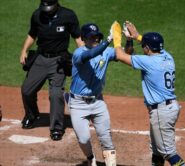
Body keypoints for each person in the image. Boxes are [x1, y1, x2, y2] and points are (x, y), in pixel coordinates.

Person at [112, 21, 185, 166]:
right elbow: (150, 46)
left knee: (168, 152)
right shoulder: (168, 57)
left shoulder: (148, 62)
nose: (142, 48)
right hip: (169, 108)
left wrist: (116, 38)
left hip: (161, 112)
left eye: (143, 46)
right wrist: (137, 36)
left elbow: (121, 56)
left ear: (147, 48)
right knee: (157, 151)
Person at [20, 0, 83, 141]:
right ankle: (32, 115)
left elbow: (78, 38)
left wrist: (84, 57)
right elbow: (32, 35)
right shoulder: (37, 15)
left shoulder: (68, 15)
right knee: (26, 90)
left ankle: (56, 128)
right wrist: (24, 50)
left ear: (56, 4)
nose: (46, 10)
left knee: (56, 94)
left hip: (59, 60)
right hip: (40, 58)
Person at [67, 23, 117, 166]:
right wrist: (108, 41)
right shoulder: (79, 54)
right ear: (83, 38)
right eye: (92, 37)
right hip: (78, 104)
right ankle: (90, 158)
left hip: (98, 102)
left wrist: (129, 40)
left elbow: (125, 53)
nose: (95, 39)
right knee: (83, 139)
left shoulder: (106, 51)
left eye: (97, 37)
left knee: (106, 139)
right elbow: (90, 54)